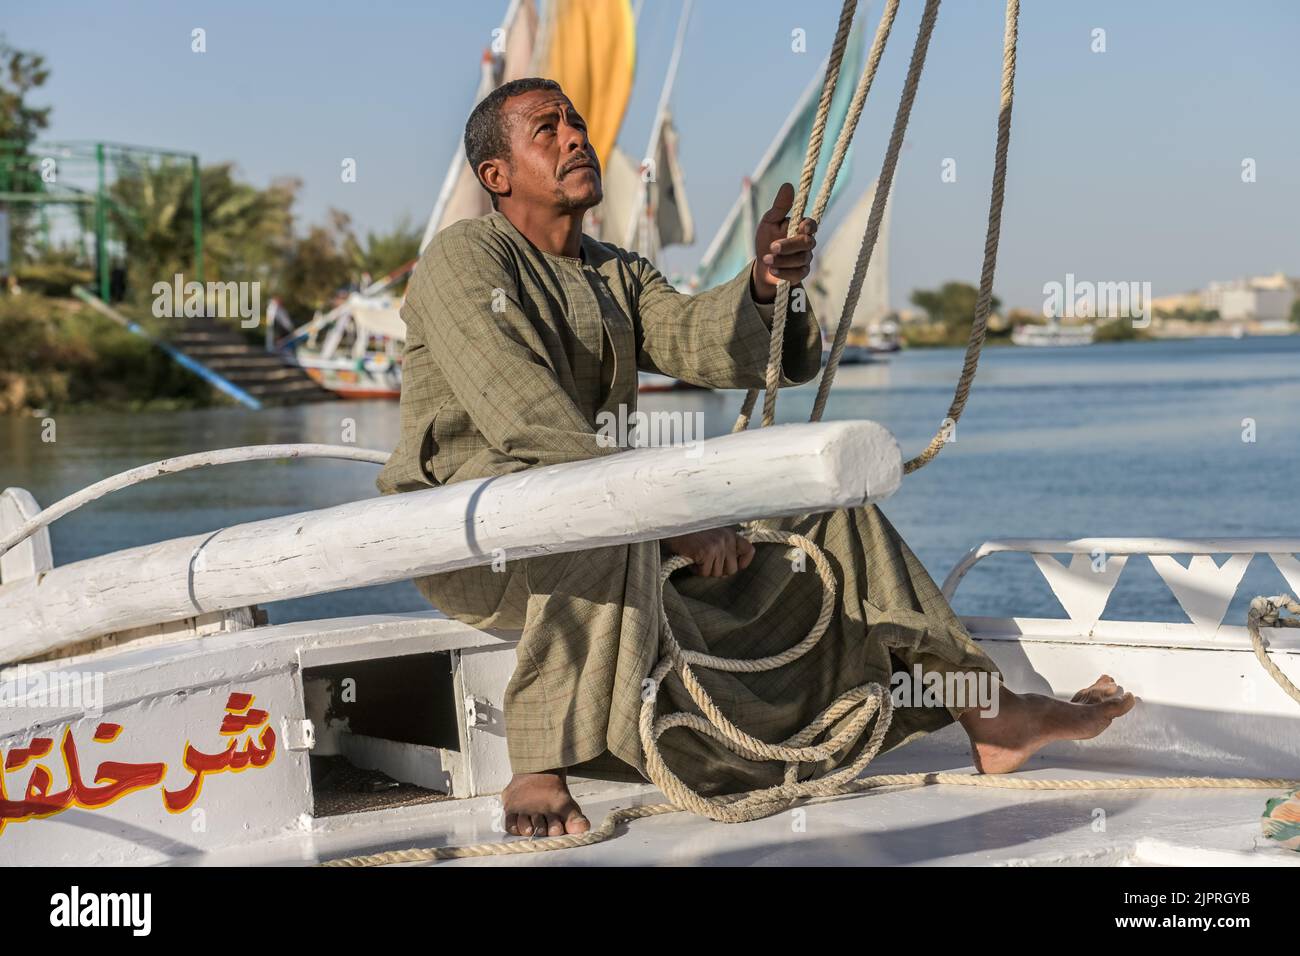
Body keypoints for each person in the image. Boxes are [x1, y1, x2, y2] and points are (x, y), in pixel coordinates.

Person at [376, 77, 1135, 838]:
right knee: (590, 521)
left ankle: (990, 712)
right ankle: (540, 765)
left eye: (576, 121)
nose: (576, 136)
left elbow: (697, 336)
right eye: (547, 129)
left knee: (825, 509)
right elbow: (526, 420)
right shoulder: (464, 257)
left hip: (609, 513)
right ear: (496, 176)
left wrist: (768, 286)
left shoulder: (618, 271)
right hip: (478, 535)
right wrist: (669, 524)